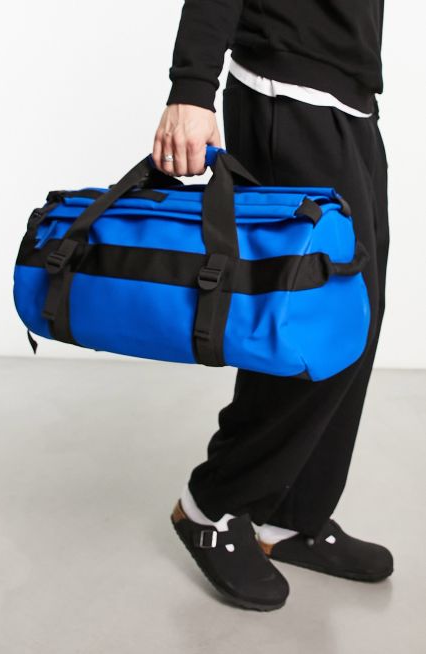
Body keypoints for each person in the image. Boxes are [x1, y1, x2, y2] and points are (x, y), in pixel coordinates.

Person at [152, 0, 392, 611]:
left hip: (351, 99)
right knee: (310, 322)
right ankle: (212, 505)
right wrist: (192, 88)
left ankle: (287, 518)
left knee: (359, 317)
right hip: (287, 90)